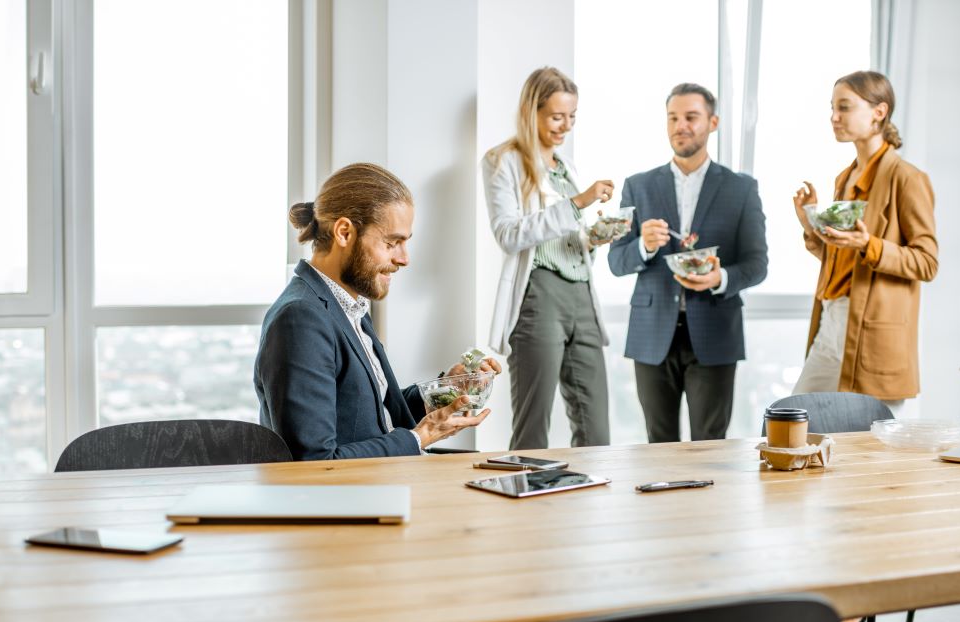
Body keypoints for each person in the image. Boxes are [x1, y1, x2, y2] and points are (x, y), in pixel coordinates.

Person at [254, 162, 500, 461]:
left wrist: (446, 388)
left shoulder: (349, 306)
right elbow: (314, 461)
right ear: (344, 232)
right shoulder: (300, 318)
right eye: (391, 243)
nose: (404, 259)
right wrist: (421, 437)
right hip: (354, 500)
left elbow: (376, 416)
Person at [609, 83, 768, 443]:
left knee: (710, 445)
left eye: (691, 117)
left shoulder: (741, 188)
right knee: (658, 443)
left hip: (715, 329)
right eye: (673, 118)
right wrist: (643, 247)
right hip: (651, 332)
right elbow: (616, 261)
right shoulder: (638, 186)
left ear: (712, 122)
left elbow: (757, 263)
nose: (681, 125)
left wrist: (720, 277)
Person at [483, 67, 615, 451]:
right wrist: (580, 202)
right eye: (557, 117)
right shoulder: (503, 161)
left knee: (597, 432)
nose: (565, 127)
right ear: (532, 112)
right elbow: (509, 234)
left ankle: (585, 508)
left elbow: (564, 235)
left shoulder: (566, 168)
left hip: (582, 297)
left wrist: (596, 237)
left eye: (572, 117)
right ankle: (523, 504)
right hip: (539, 297)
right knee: (532, 427)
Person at [791, 70, 937, 413]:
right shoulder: (845, 178)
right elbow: (842, 258)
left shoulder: (908, 179)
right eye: (832, 108)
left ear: (879, 112)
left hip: (875, 333)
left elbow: (926, 262)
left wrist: (868, 244)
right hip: (832, 322)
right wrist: (810, 224)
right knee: (793, 426)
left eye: (844, 107)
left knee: (872, 445)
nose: (834, 117)